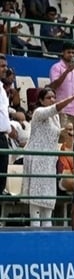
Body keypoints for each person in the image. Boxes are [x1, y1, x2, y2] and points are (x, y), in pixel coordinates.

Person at [21, 88, 74, 227]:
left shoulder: (54, 117)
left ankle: (47, 231)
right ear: (41, 100)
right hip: (37, 158)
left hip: (49, 160)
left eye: (54, 97)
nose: (52, 100)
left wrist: (64, 131)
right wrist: (71, 98)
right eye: (48, 97)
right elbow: (55, 108)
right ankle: (35, 232)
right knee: (36, 200)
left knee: (48, 201)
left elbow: (50, 133)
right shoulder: (39, 112)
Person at [0, 55, 13, 195]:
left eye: (6, 66)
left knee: (1, 179)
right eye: (2, 66)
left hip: (3, 137)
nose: (5, 69)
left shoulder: (2, 89)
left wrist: (9, 129)